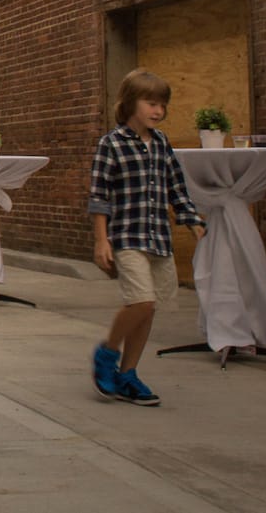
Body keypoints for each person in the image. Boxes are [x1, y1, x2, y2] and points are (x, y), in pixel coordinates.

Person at [89, 68, 206, 407]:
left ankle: (128, 374)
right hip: (126, 237)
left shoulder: (162, 143)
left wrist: (192, 220)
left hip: (158, 237)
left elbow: (176, 188)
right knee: (142, 301)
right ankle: (107, 354)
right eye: (150, 103)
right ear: (130, 104)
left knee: (148, 310)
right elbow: (99, 197)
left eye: (162, 104)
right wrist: (101, 240)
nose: (157, 110)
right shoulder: (110, 144)